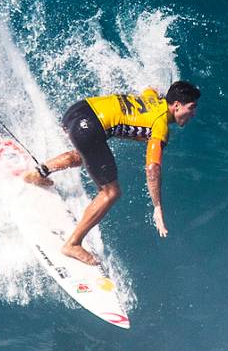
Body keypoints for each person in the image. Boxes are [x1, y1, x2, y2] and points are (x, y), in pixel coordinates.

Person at [21, 81, 200, 266]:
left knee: (85, 154)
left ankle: (39, 173)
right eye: (192, 108)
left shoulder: (153, 100)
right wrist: (157, 207)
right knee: (111, 193)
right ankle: (72, 244)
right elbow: (153, 168)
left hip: (78, 111)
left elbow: (150, 89)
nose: (193, 114)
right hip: (88, 127)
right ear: (176, 105)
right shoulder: (161, 125)